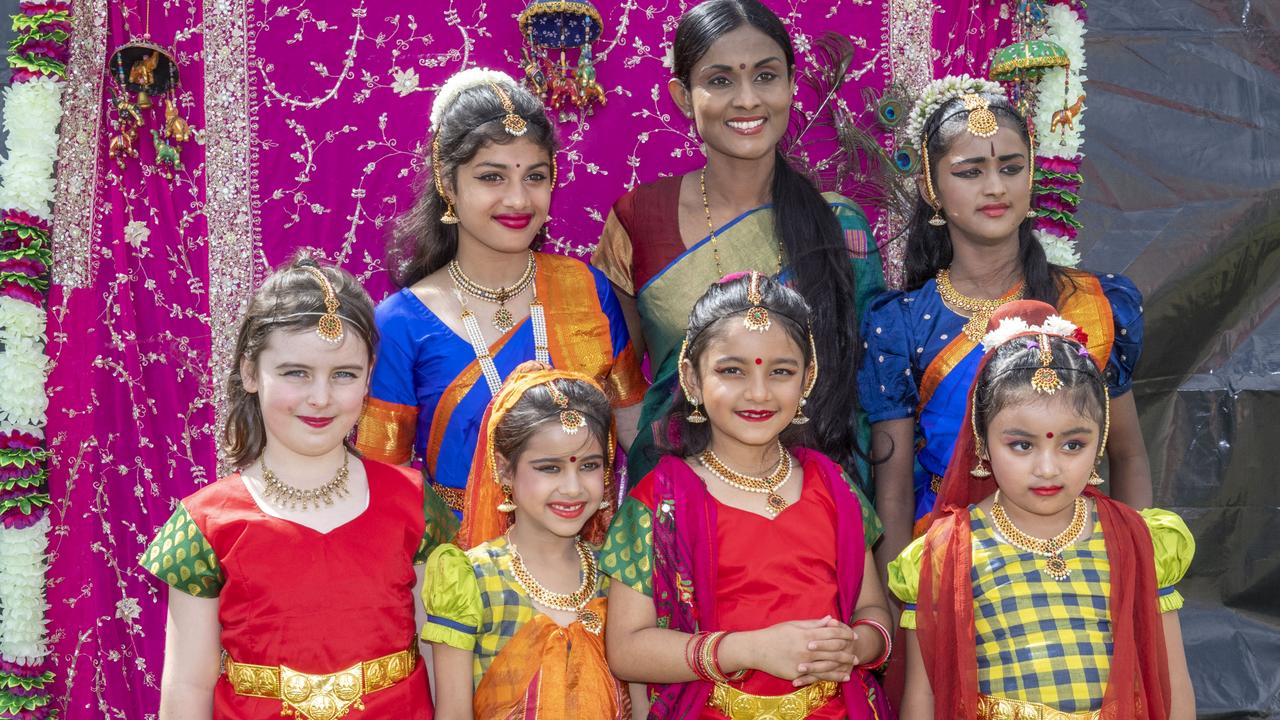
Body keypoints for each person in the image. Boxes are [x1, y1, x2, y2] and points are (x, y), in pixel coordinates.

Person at [858, 76, 1151, 578]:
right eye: (970, 172)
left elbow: (1127, 455)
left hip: (1082, 567)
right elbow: (894, 496)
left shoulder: (1092, 304)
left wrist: (1143, 579)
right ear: (931, 184)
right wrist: (897, 618)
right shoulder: (901, 325)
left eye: (1011, 168)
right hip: (954, 578)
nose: (995, 187)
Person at [142, 258, 459, 719]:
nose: (321, 397)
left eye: (344, 374)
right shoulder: (203, 525)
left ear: (370, 375)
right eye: (296, 373)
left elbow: (440, 658)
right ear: (251, 373)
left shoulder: (414, 503)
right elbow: (188, 687)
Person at [592, 0, 885, 490]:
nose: (747, 99)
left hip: (813, 503)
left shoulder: (838, 225)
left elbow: (870, 393)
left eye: (766, 76)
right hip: (683, 503)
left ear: (792, 85)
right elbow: (612, 377)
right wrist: (670, 458)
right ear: (683, 97)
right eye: (721, 80)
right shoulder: (640, 218)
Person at [603, 272, 895, 719]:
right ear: (692, 379)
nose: (758, 392)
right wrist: (747, 649)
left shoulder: (834, 486)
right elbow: (626, 649)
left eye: (781, 371)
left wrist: (855, 644)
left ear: (807, 379)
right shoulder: (661, 502)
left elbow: (871, 608)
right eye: (731, 370)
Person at [357, 68, 647, 515]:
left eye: (535, 176)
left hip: (588, 567)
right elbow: (383, 484)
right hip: (458, 569)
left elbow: (636, 431)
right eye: (492, 177)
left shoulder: (586, 289)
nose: (518, 200)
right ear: (448, 183)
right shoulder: (401, 323)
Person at [889, 300, 1194, 719]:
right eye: (1022, 445)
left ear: (1100, 440)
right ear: (982, 441)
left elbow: (1172, 682)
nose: (1048, 468)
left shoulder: (1139, 542)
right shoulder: (947, 553)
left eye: (1073, 444)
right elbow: (923, 698)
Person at [421, 362, 630, 719]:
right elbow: (453, 712)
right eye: (549, 468)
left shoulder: (616, 575)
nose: (573, 487)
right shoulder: (470, 578)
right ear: (504, 469)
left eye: (589, 466)